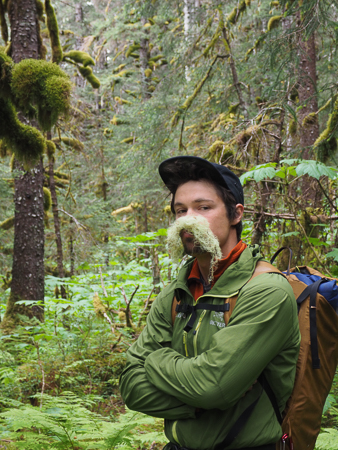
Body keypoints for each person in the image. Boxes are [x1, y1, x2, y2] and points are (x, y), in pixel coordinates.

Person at [119, 156, 300, 450]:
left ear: (236, 214)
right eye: (181, 210)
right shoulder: (176, 292)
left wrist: (154, 360)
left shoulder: (266, 290)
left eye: (203, 207)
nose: (188, 220)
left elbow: (214, 386)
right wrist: (201, 404)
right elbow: (131, 386)